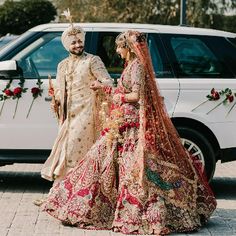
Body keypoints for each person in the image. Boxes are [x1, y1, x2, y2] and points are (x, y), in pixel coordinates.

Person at [41, 30, 217, 235]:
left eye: (119, 46)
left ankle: (97, 209)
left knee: (120, 166)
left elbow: (137, 95)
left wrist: (115, 95)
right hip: (121, 122)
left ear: (128, 47)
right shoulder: (132, 66)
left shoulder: (137, 67)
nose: (117, 51)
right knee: (101, 161)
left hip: (130, 126)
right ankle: (79, 204)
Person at [39, 23, 112, 185]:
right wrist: (56, 98)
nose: (78, 45)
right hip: (68, 116)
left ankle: (79, 190)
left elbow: (108, 82)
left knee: (76, 150)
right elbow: (59, 88)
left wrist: (99, 85)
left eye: (79, 41)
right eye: (73, 42)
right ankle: (62, 193)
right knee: (65, 150)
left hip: (87, 115)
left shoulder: (92, 60)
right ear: (66, 45)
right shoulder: (62, 65)